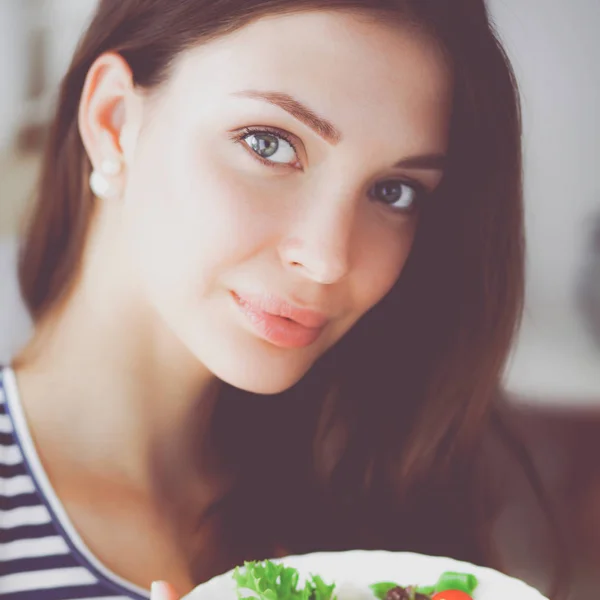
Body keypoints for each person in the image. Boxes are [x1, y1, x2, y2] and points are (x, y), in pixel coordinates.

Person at [0, 1, 563, 599]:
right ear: (113, 120)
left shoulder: (380, 497)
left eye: (394, 191)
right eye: (268, 144)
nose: (328, 259)